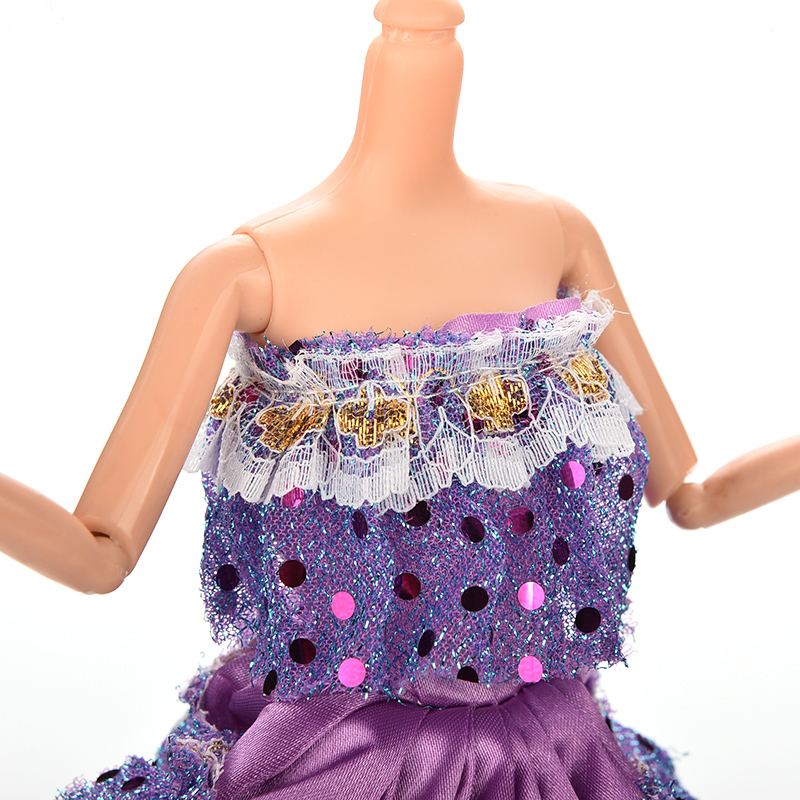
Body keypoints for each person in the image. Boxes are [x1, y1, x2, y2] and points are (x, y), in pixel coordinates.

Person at [1, 1, 799, 797]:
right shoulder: (247, 271)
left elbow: (690, 494)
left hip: (544, 749)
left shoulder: (557, 234)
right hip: (342, 756)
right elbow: (100, 549)